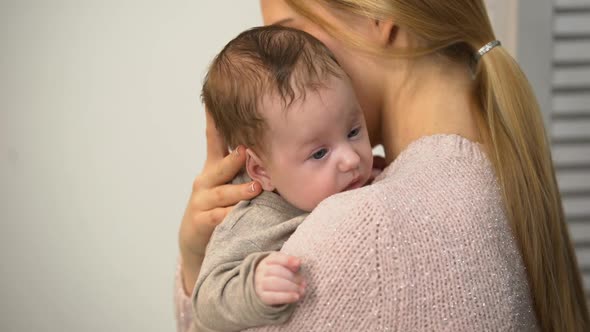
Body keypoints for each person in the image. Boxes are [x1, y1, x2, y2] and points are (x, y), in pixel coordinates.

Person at [176, 0, 590, 331]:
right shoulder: (495, 165)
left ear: (380, 19)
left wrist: (196, 266)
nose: (283, 75)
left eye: (294, 33)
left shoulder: (366, 229)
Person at [191, 25, 373, 332]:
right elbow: (206, 302)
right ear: (262, 171)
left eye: (353, 132)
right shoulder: (253, 221)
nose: (352, 159)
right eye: (319, 154)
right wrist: (254, 285)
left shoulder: (347, 180)